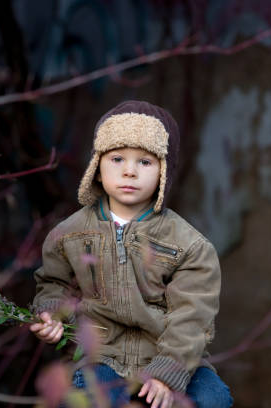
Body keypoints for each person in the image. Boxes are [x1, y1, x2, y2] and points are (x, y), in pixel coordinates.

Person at [29, 100, 232, 408]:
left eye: (145, 162)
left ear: (164, 172)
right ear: (97, 167)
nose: (129, 171)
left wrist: (167, 373)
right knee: (93, 400)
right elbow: (53, 282)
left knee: (213, 399)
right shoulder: (68, 233)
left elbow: (192, 317)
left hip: (170, 357)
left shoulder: (189, 244)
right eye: (117, 158)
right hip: (101, 356)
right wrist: (51, 313)